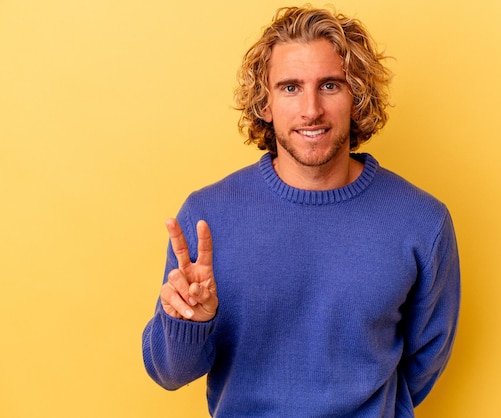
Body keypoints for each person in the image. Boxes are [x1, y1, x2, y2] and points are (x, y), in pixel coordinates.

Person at [142, 5, 460, 417]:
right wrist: (190, 322)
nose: (311, 109)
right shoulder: (207, 218)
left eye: (330, 85)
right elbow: (169, 373)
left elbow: (424, 362)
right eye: (290, 87)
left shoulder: (422, 221)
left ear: (357, 97)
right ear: (266, 103)